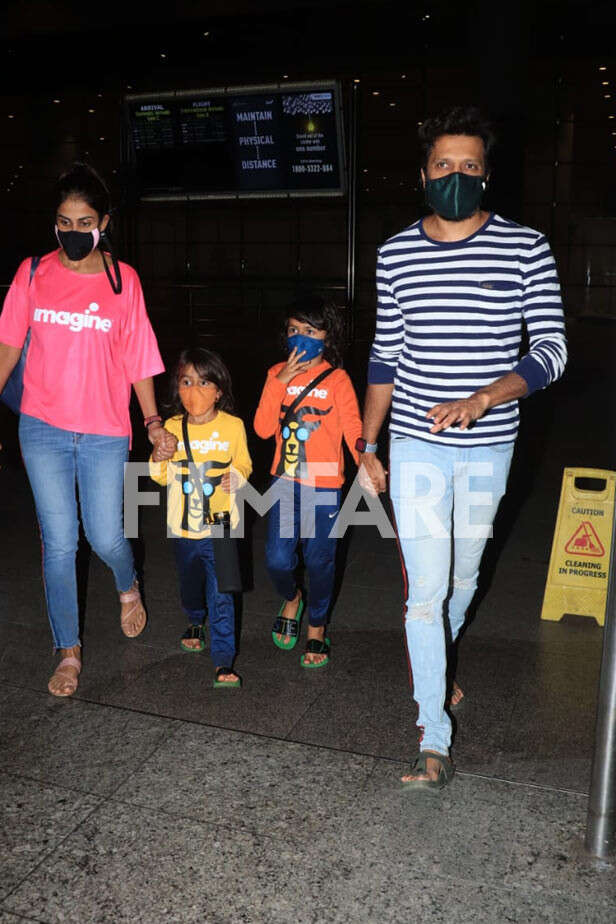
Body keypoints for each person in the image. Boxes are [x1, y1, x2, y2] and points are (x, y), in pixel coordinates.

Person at [359, 107, 567, 790]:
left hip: (488, 446)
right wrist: (366, 442)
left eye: (469, 166)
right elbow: (385, 356)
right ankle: (433, 735)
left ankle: (438, 671)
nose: (456, 176)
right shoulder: (396, 253)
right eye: (443, 165)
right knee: (424, 594)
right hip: (416, 441)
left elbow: (552, 350)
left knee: (462, 582)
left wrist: (485, 397)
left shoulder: (525, 247)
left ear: (486, 175)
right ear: (424, 174)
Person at [0, 163, 176, 698]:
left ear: (104, 224)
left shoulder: (124, 282)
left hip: (103, 429)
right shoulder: (32, 274)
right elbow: (8, 346)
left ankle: (128, 585)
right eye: (63, 222)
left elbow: (138, 358)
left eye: (84, 222)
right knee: (58, 543)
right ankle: (69, 652)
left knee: (104, 535)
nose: (72, 232)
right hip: (43, 427)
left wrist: (151, 421)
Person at [254, 295, 362, 667]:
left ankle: (317, 625)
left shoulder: (338, 379)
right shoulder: (275, 374)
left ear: (326, 337)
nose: (300, 337)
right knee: (277, 559)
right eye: (293, 330)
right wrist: (279, 382)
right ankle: (293, 597)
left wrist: (369, 461)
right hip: (285, 482)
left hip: (326, 486)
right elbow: (263, 428)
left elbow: (353, 429)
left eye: (309, 330)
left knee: (320, 560)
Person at [149, 347, 252, 688]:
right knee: (190, 583)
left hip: (220, 524)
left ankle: (223, 661)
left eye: (204, 382)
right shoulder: (171, 426)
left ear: (219, 389)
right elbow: (160, 476)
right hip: (182, 525)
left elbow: (244, 464)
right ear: (177, 387)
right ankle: (195, 618)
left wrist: (235, 477)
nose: (194, 390)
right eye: (186, 381)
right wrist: (158, 454)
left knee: (222, 592)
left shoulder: (233, 426)